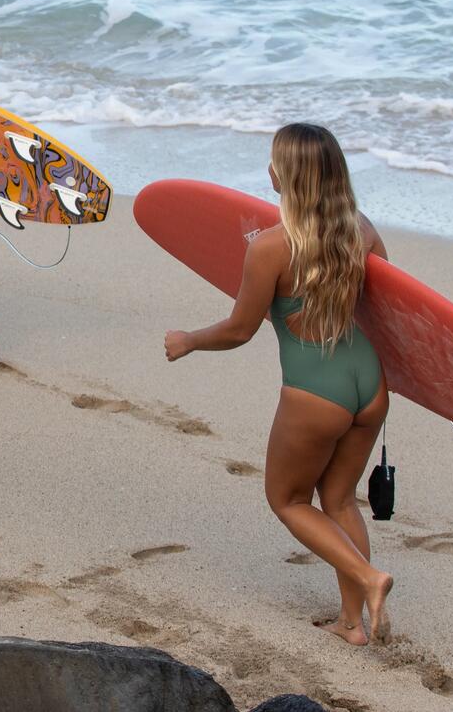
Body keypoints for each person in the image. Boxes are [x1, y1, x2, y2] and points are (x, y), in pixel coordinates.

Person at [164, 122, 396, 645]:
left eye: (273, 162)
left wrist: (189, 340)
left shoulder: (271, 247)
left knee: (288, 501)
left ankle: (369, 577)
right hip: (369, 384)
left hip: (317, 390)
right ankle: (351, 624)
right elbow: (390, 316)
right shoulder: (363, 230)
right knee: (339, 500)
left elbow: (238, 330)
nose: (267, 169)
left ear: (286, 177)